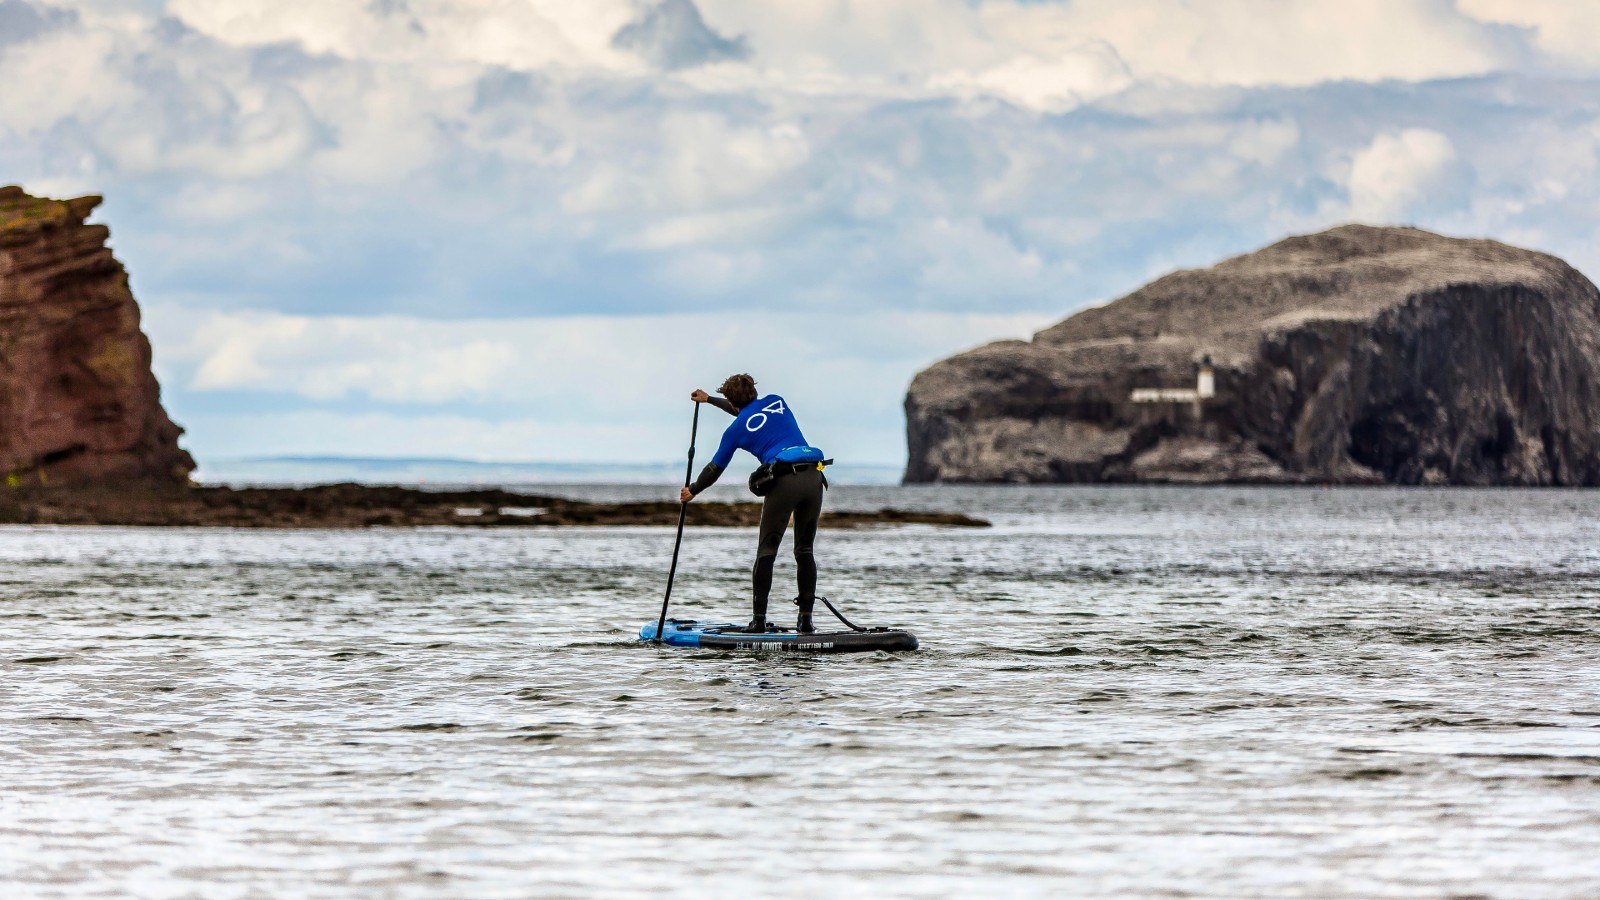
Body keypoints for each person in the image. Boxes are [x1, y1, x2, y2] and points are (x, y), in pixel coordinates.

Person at [680, 374, 829, 634]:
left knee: (766, 551)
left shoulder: (734, 431)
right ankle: (806, 620)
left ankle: (758, 622)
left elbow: (715, 468)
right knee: (804, 551)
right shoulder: (776, 401)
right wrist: (709, 400)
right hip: (815, 477)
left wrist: (693, 490)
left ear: (731, 401)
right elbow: (747, 411)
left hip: (785, 481)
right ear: (754, 392)